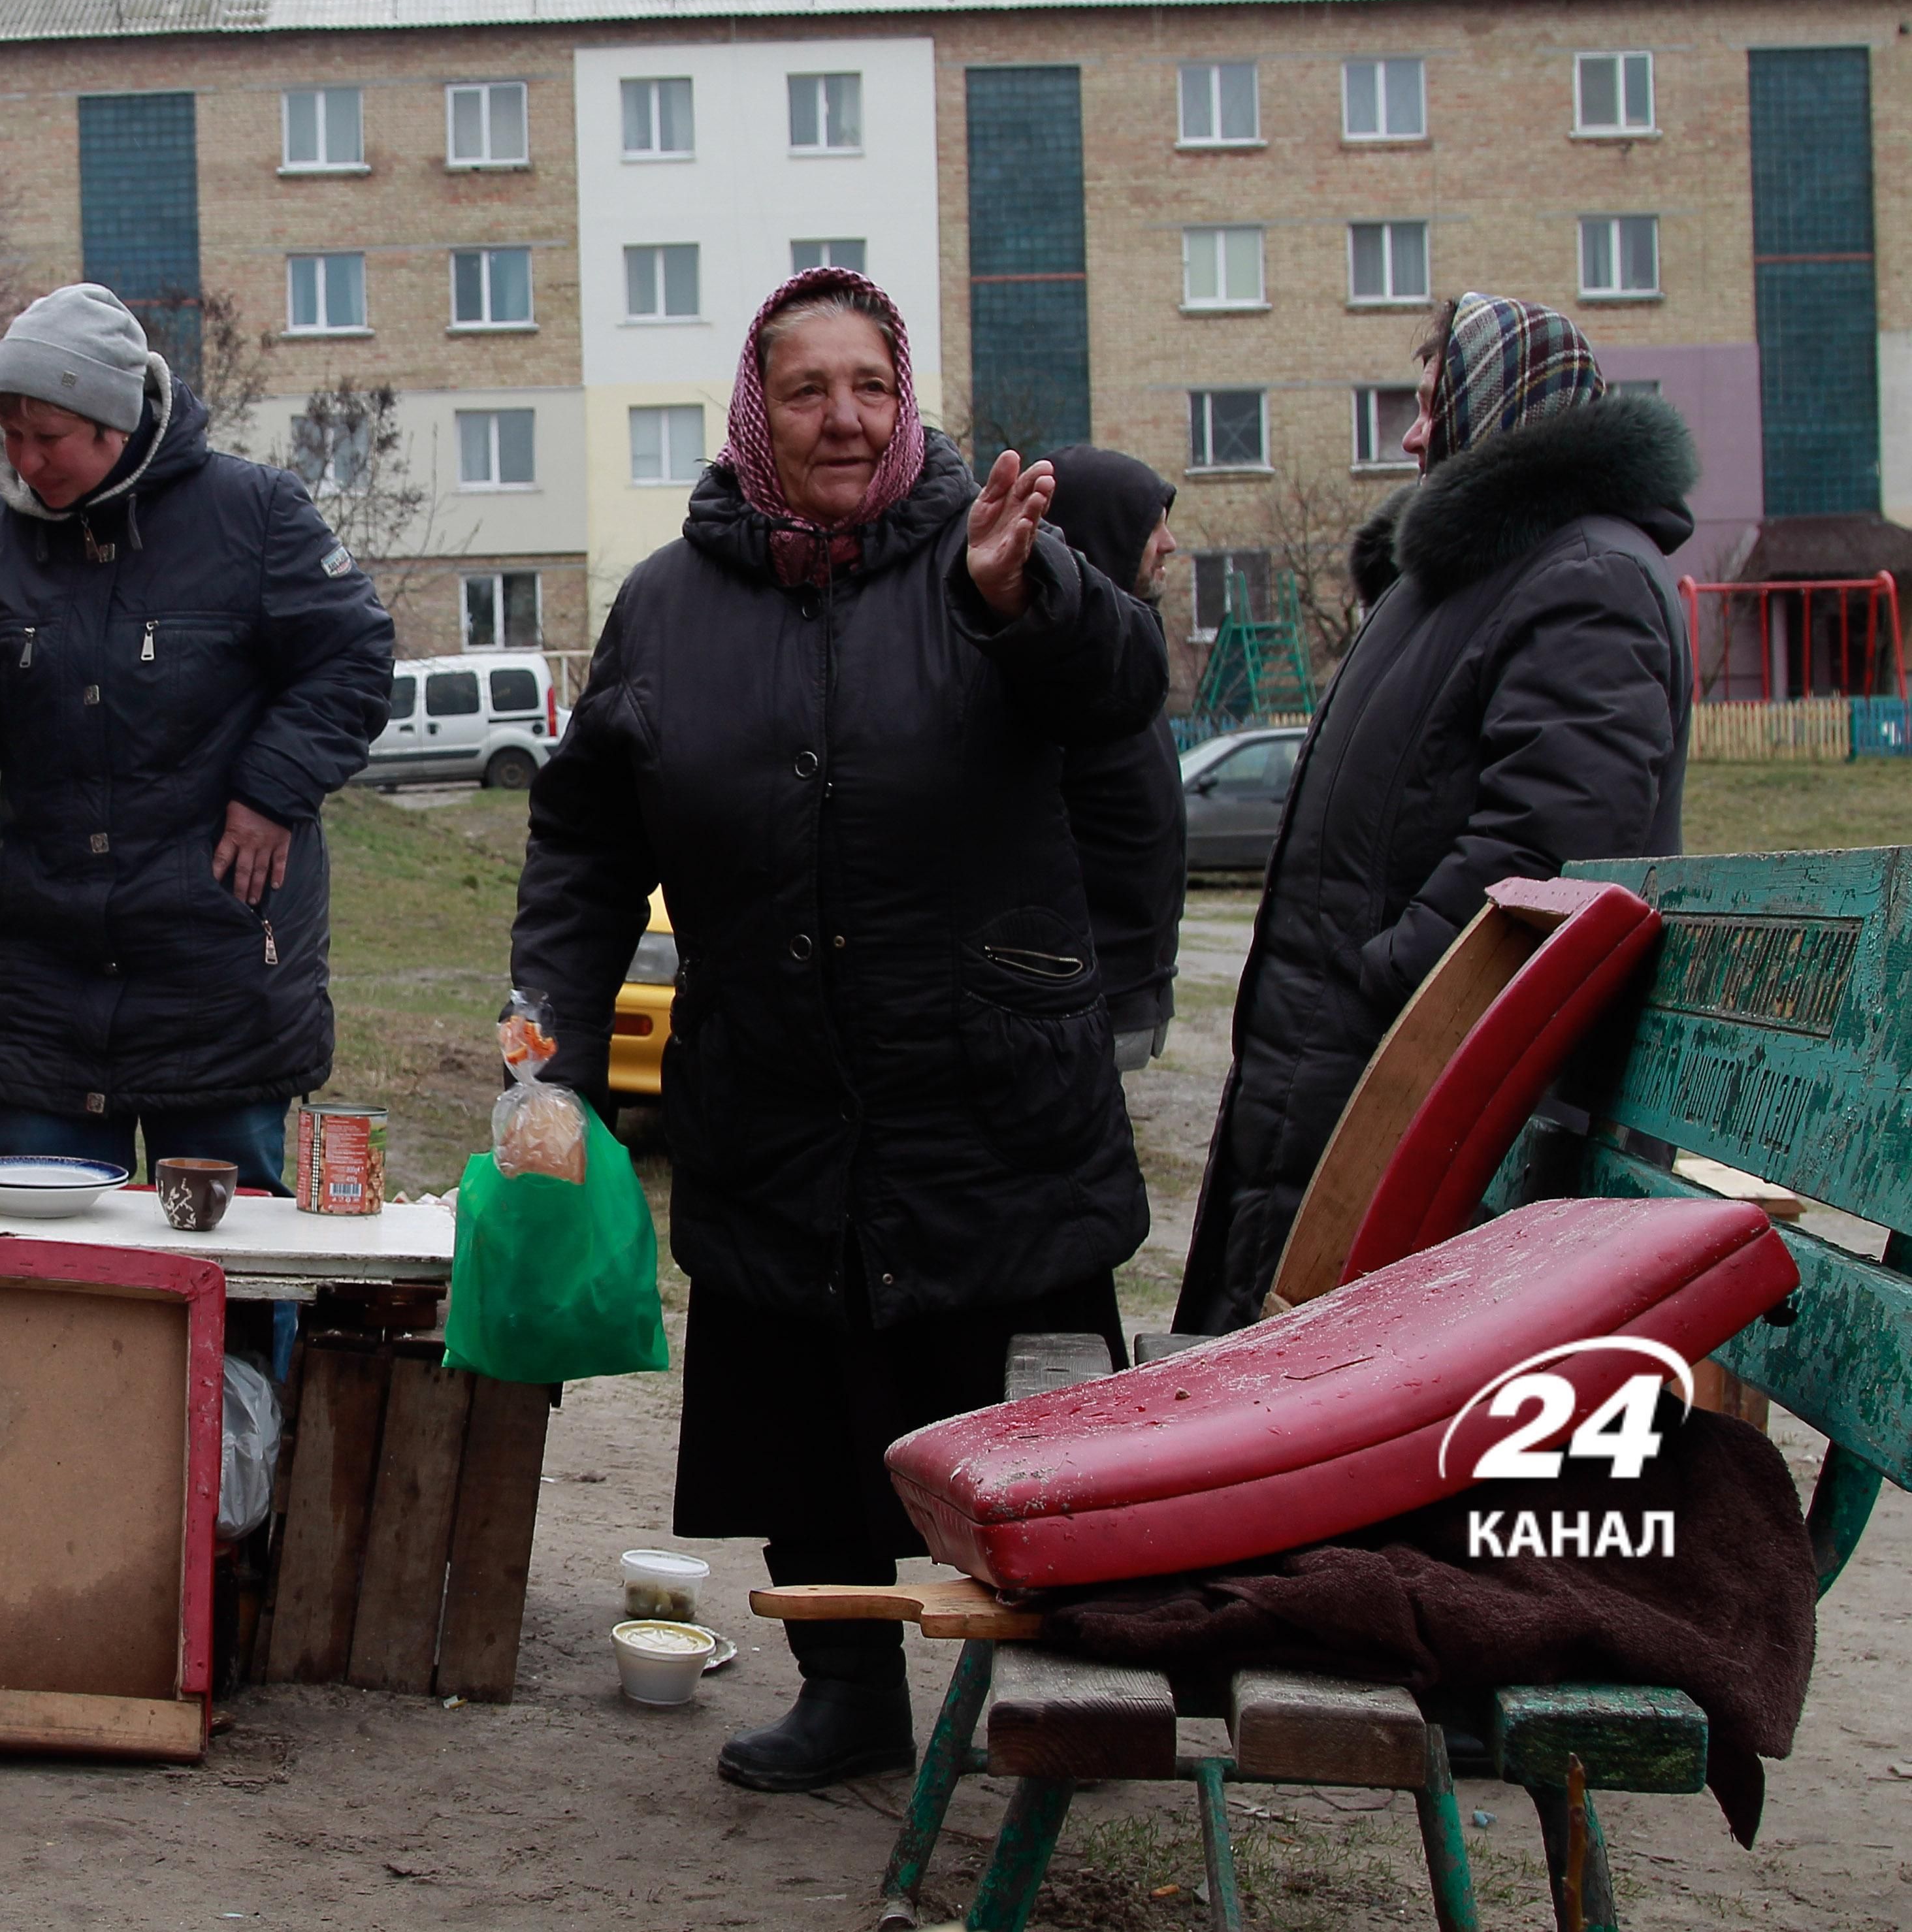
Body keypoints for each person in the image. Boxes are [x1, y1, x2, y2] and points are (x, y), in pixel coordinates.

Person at [508, 265, 1166, 1794]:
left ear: (904, 396)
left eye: (869, 384)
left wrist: (1027, 599)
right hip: (773, 1084)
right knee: (801, 1411)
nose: (844, 417)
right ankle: (848, 1693)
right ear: (757, 410)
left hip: (984, 1089)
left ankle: (1060, 1701)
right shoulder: (666, 605)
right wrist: (547, 1044)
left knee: (1029, 1416)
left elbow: (1123, 693)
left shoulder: (996, 554)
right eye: (806, 389)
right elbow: (586, 845)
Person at [1175, 294, 1694, 1333]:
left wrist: (1387, 979)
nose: (1412, 436)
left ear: (1502, 407)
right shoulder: (1472, 574)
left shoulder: (1584, 574)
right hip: (1361, 1067)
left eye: (1429, 406)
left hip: (1420, 1084)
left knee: (1330, 1385)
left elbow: (1554, 846)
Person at [0, 282, 394, 1187]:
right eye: (10, 434)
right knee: (54, 1253)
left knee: (230, 1250)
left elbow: (351, 660)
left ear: (115, 422)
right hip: (45, 981)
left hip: (216, 966)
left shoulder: (255, 513)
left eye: (48, 436)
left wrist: (272, 791)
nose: (25, 460)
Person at [1043, 447, 1186, 1071]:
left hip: (1131, 994)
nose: (1169, 543)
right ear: (1104, 534)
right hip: (1081, 1005)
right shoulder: (1055, 679)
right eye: (1151, 525)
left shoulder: (1129, 663)